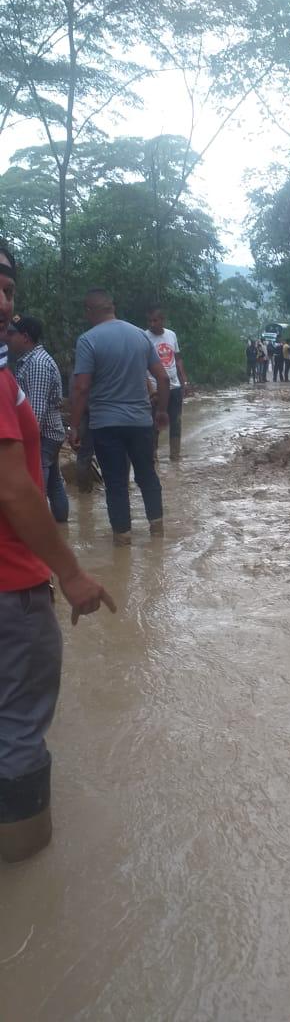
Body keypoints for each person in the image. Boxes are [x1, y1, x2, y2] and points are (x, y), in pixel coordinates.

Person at [0, 247, 116, 863]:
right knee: (18, 724)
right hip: (10, 585)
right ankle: (26, 866)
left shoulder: (18, 369)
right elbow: (13, 489)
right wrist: (69, 572)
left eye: (8, 289)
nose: (3, 303)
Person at [69, 289, 170, 547]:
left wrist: (74, 426)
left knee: (115, 483)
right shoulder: (140, 336)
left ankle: (122, 540)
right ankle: (157, 531)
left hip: (106, 425)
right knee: (147, 475)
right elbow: (163, 377)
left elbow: (81, 387)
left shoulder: (88, 340)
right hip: (140, 422)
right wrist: (161, 411)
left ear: (90, 310)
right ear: (111, 307)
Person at [7, 315, 69, 523]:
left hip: (43, 435)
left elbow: (36, 411)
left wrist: (22, 442)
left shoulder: (37, 364)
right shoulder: (32, 360)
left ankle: (38, 528)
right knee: (54, 483)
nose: (8, 338)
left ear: (25, 337)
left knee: (36, 485)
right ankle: (62, 528)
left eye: (12, 334)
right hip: (50, 433)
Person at [145, 306, 187, 461]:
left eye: (155, 320)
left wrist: (184, 380)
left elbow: (178, 359)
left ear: (163, 320)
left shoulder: (171, 335)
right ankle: (153, 456)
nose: (152, 324)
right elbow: (142, 365)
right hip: (155, 387)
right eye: (150, 321)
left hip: (174, 386)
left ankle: (175, 456)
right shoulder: (144, 337)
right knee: (153, 423)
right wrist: (150, 389)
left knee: (176, 421)